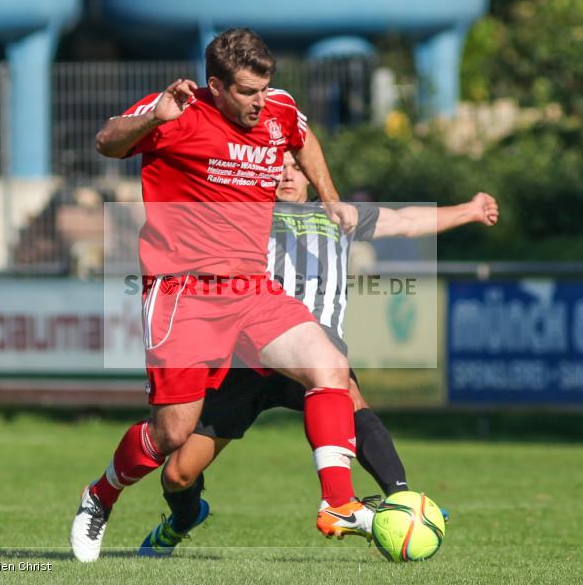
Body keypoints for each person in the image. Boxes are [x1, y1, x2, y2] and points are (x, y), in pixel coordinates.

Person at [71, 28, 366, 563]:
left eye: (266, 88)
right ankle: (100, 496)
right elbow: (106, 141)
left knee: (331, 369)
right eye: (249, 92)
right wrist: (153, 118)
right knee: (170, 434)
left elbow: (302, 137)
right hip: (182, 293)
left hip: (251, 288)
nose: (262, 102)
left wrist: (331, 198)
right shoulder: (179, 111)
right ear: (216, 85)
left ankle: (338, 504)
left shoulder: (277, 108)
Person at [137, 151, 499, 555]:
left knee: (350, 397)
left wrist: (469, 210)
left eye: (296, 169)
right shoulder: (246, 214)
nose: (287, 177)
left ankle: (403, 500)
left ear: (313, 177)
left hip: (315, 352)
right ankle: (183, 520)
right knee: (179, 474)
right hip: (248, 358)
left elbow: (407, 221)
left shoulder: (339, 216)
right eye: (278, 170)